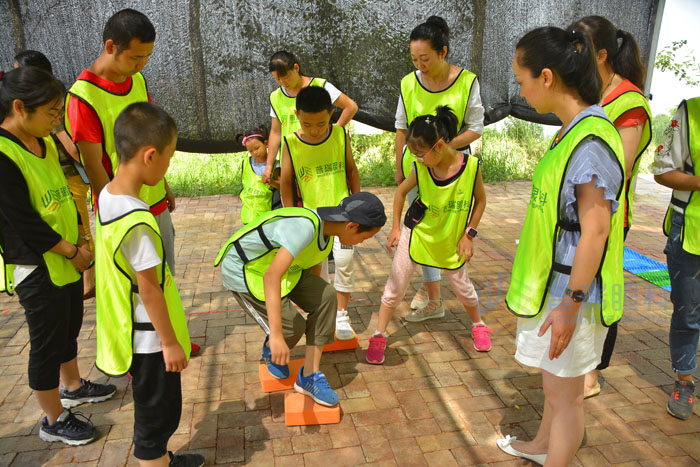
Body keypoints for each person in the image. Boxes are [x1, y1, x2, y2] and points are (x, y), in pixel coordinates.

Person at [498, 27, 625, 465]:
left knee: (567, 393)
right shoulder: (570, 131)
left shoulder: (590, 140)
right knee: (555, 381)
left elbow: (595, 231)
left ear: (546, 77)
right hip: (558, 283)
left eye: (521, 78)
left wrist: (571, 302)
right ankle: (540, 445)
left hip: (576, 291)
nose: (520, 88)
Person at [66, 8, 199, 355]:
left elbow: (151, 134)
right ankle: (138, 352)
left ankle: (171, 335)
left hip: (152, 200)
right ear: (111, 46)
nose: (142, 64)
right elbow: (93, 165)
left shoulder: (137, 80)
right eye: (137, 56)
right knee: (133, 283)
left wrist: (164, 186)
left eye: (148, 57)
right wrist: (114, 211)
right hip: (124, 211)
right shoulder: (82, 97)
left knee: (161, 277)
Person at [0, 67, 116, 446]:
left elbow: (65, 195)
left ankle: (72, 385)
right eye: (51, 113)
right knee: (47, 341)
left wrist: (82, 241)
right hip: (38, 265)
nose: (56, 120)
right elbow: (22, 221)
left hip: (68, 256)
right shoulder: (3, 153)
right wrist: (71, 251)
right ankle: (52, 419)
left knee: (68, 329)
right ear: (19, 107)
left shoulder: (45, 142)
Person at [95, 102, 204, 467]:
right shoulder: (138, 220)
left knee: (154, 410)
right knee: (157, 416)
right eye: (169, 159)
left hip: (133, 331)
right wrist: (169, 342)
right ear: (150, 155)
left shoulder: (107, 196)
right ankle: (154, 459)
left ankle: (161, 457)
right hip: (150, 340)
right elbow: (149, 288)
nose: (169, 167)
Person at [215, 192, 386, 406]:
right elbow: (271, 277)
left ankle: (309, 376)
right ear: (351, 226)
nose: (361, 242)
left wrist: (318, 311)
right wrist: (277, 336)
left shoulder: (329, 232)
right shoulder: (306, 229)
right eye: (365, 237)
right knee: (292, 327)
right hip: (247, 270)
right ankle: (271, 347)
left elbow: (313, 272)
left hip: (280, 270)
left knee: (327, 295)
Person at [365, 106, 491, 365]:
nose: (418, 159)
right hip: (417, 232)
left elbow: (480, 201)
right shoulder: (421, 168)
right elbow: (400, 192)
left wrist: (469, 235)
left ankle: (478, 324)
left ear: (440, 145)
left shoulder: (471, 167)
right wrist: (397, 228)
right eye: (413, 154)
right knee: (394, 287)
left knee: (463, 288)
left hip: (451, 237)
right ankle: (379, 334)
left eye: (421, 153)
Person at [568, 15, 652, 399]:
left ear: (601, 54)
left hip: (610, 217)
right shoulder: (591, 94)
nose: (573, 56)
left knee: (603, 290)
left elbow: (622, 166)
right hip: (582, 213)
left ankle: (593, 373)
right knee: (581, 283)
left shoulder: (629, 102)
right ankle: (577, 359)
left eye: (579, 49)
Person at [395, 16, 485, 322]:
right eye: (414, 59)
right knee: (423, 230)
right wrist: (399, 165)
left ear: (443, 52)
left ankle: (455, 288)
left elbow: (476, 128)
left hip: (453, 173)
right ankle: (434, 297)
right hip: (418, 169)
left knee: (450, 233)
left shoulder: (467, 82)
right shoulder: (408, 83)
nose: (419, 65)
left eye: (425, 58)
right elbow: (400, 128)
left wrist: (444, 148)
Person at [13, 50, 96, 299]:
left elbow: (71, 146)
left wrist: (91, 170)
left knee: (80, 228)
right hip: (44, 274)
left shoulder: (48, 105)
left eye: (20, 70)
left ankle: (89, 280)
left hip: (71, 176)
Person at [280, 86, 361, 340]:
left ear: (332, 113)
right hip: (311, 219)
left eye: (321, 123)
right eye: (307, 124)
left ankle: (342, 314)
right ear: (297, 114)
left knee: (345, 263)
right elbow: (285, 181)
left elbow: (352, 170)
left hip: (344, 214)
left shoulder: (339, 135)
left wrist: (356, 205)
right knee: (317, 268)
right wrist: (291, 216)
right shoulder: (291, 142)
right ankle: (323, 314)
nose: (314, 130)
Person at [651, 97, 700, 421]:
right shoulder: (691, 112)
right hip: (691, 230)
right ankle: (684, 379)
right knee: (688, 311)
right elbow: (662, 169)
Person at [263, 50, 358, 185]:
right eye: (277, 79)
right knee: (295, 202)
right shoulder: (275, 97)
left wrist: (334, 131)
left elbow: (351, 107)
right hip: (292, 160)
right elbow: (275, 132)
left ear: (296, 68)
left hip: (321, 158)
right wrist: (268, 167)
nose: (283, 82)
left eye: (286, 77)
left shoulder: (320, 86)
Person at [237, 124, 281, 224]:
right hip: (249, 215)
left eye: (257, 148)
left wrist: (272, 182)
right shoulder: (246, 163)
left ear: (266, 143)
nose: (255, 153)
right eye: (251, 151)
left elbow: (282, 186)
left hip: (267, 216)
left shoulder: (275, 165)